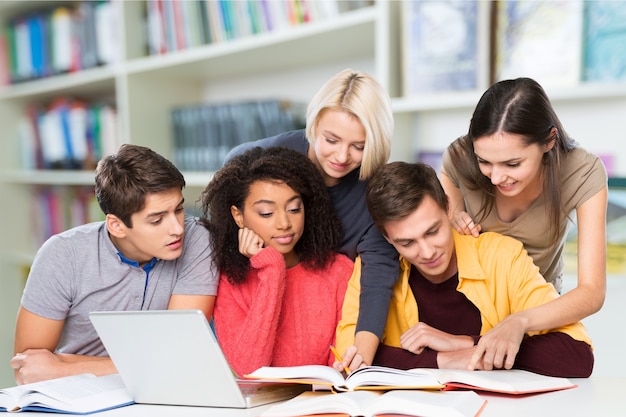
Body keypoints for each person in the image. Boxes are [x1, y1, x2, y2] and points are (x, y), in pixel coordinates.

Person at [335, 161, 594, 378]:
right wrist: (445, 360)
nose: (426, 252)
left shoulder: (502, 256)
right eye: (407, 242)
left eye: (432, 231)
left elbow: (577, 356)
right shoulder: (373, 268)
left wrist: (466, 344)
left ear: (448, 207)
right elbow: (352, 357)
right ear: (387, 237)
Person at [225, 68, 398, 368]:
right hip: (257, 302)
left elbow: (378, 276)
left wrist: (363, 351)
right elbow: (232, 175)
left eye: (359, 146)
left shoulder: (373, 193)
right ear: (315, 123)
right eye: (331, 139)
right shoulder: (270, 155)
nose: (342, 156)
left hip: (325, 319)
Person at [10, 144, 218, 385]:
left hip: (163, 390)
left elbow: (178, 355)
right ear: (117, 225)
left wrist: (62, 367)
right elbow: (27, 368)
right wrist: (149, 366)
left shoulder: (199, 239)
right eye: (157, 220)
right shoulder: (62, 255)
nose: (177, 228)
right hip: (76, 395)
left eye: (179, 209)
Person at [440, 77, 607, 370]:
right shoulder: (459, 157)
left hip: (535, 314)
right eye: (485, 162)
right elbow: (444, 197)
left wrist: (519, 322)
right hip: (468, 308)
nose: (495, 177)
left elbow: (592, 291)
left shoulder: (582, 172)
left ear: (549, 141)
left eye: (512, 164)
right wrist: (452, 214)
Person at [200, 146, 354, 377]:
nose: (284, 223)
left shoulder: (338, 271)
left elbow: (340, 370)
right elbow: (249, 369)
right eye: (266, 213)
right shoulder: (229, 280)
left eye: (294, 209)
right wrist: (272, 269)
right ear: (238, 216)